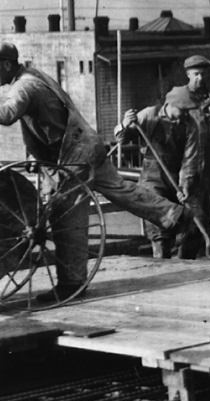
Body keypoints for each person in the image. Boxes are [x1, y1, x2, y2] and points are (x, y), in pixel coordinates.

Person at [0, 42, 188, 302]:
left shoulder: (24, 86)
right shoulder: (36, 76)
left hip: (74, 157)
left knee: (64, 217)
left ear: (7, 65)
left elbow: (8, 113)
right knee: (121, 190)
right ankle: (175, 215)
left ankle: (72, 284)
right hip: (87, 146)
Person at [116, 87, 203, 259]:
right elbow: (120, 138)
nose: (185, 115)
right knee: (160, 230)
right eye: (183, 110)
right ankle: (161, 267)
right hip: (152, 180)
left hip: (175, 180)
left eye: (188, 111)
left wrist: (185, 186)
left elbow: (190, 161)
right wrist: (125, 123)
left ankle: (184, 265)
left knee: (194, 226)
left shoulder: (190, 125)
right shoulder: (150, 114)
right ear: (170, 105)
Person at [175, 91, 210, 259]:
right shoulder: (192, 120)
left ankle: (200, 254)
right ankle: (186, 256)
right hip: (192, 174)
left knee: (209, 209)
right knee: (194, 216)